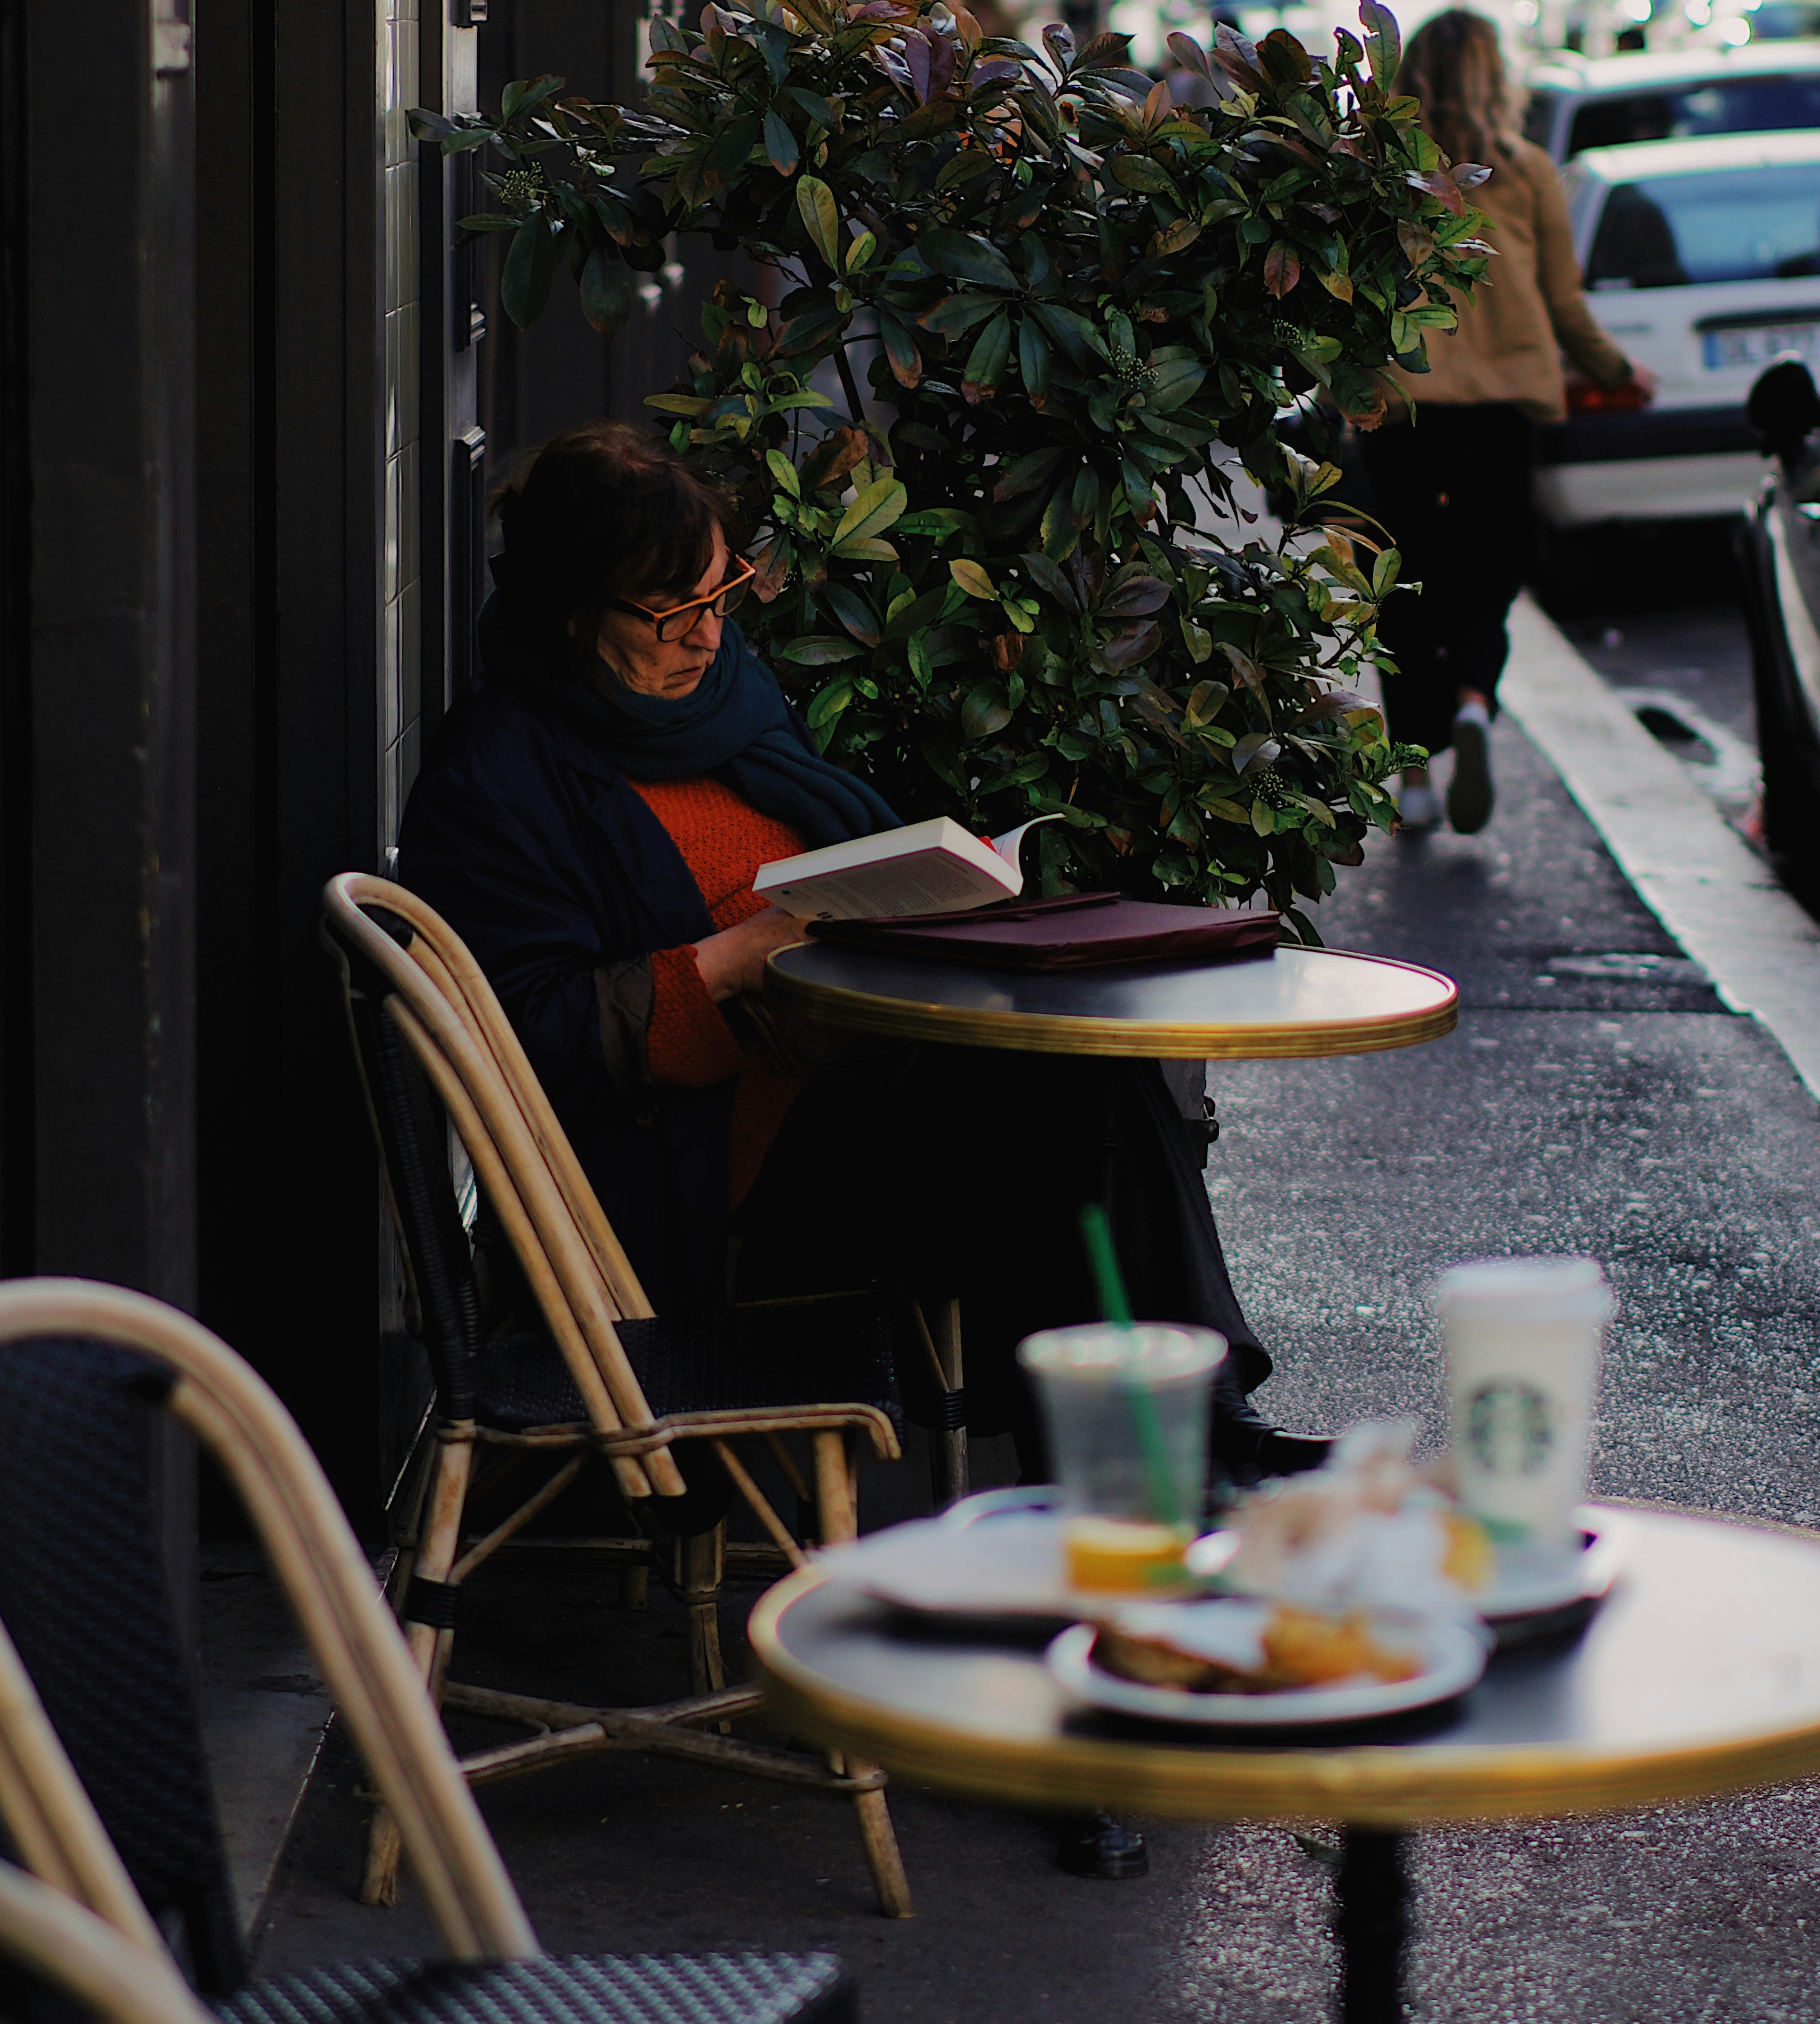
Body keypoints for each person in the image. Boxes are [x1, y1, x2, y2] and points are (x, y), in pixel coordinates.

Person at [394, 423, 1302, 1476]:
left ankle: (1167, 1436)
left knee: (1083, 1067)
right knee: (1066, 1128)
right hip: (707, 1181)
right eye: (670, 613)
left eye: (721, 594)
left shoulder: (723, 699)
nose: (704, 636)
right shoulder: (500, 776)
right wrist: (740, 958)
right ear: (569, 615)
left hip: (843, 1093)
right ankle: (1166, 1441)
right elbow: (529, 1041)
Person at [1349, 10, 1654, 838]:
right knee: (1492, 569)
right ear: (1496, 77)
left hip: (1402, 403)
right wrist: (1619, 373)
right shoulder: (1525, 172)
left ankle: (1411, 777)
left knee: (1401, 584)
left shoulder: (1380, 171)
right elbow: (1565, 307)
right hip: (1504, 409)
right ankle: (1476, 701)